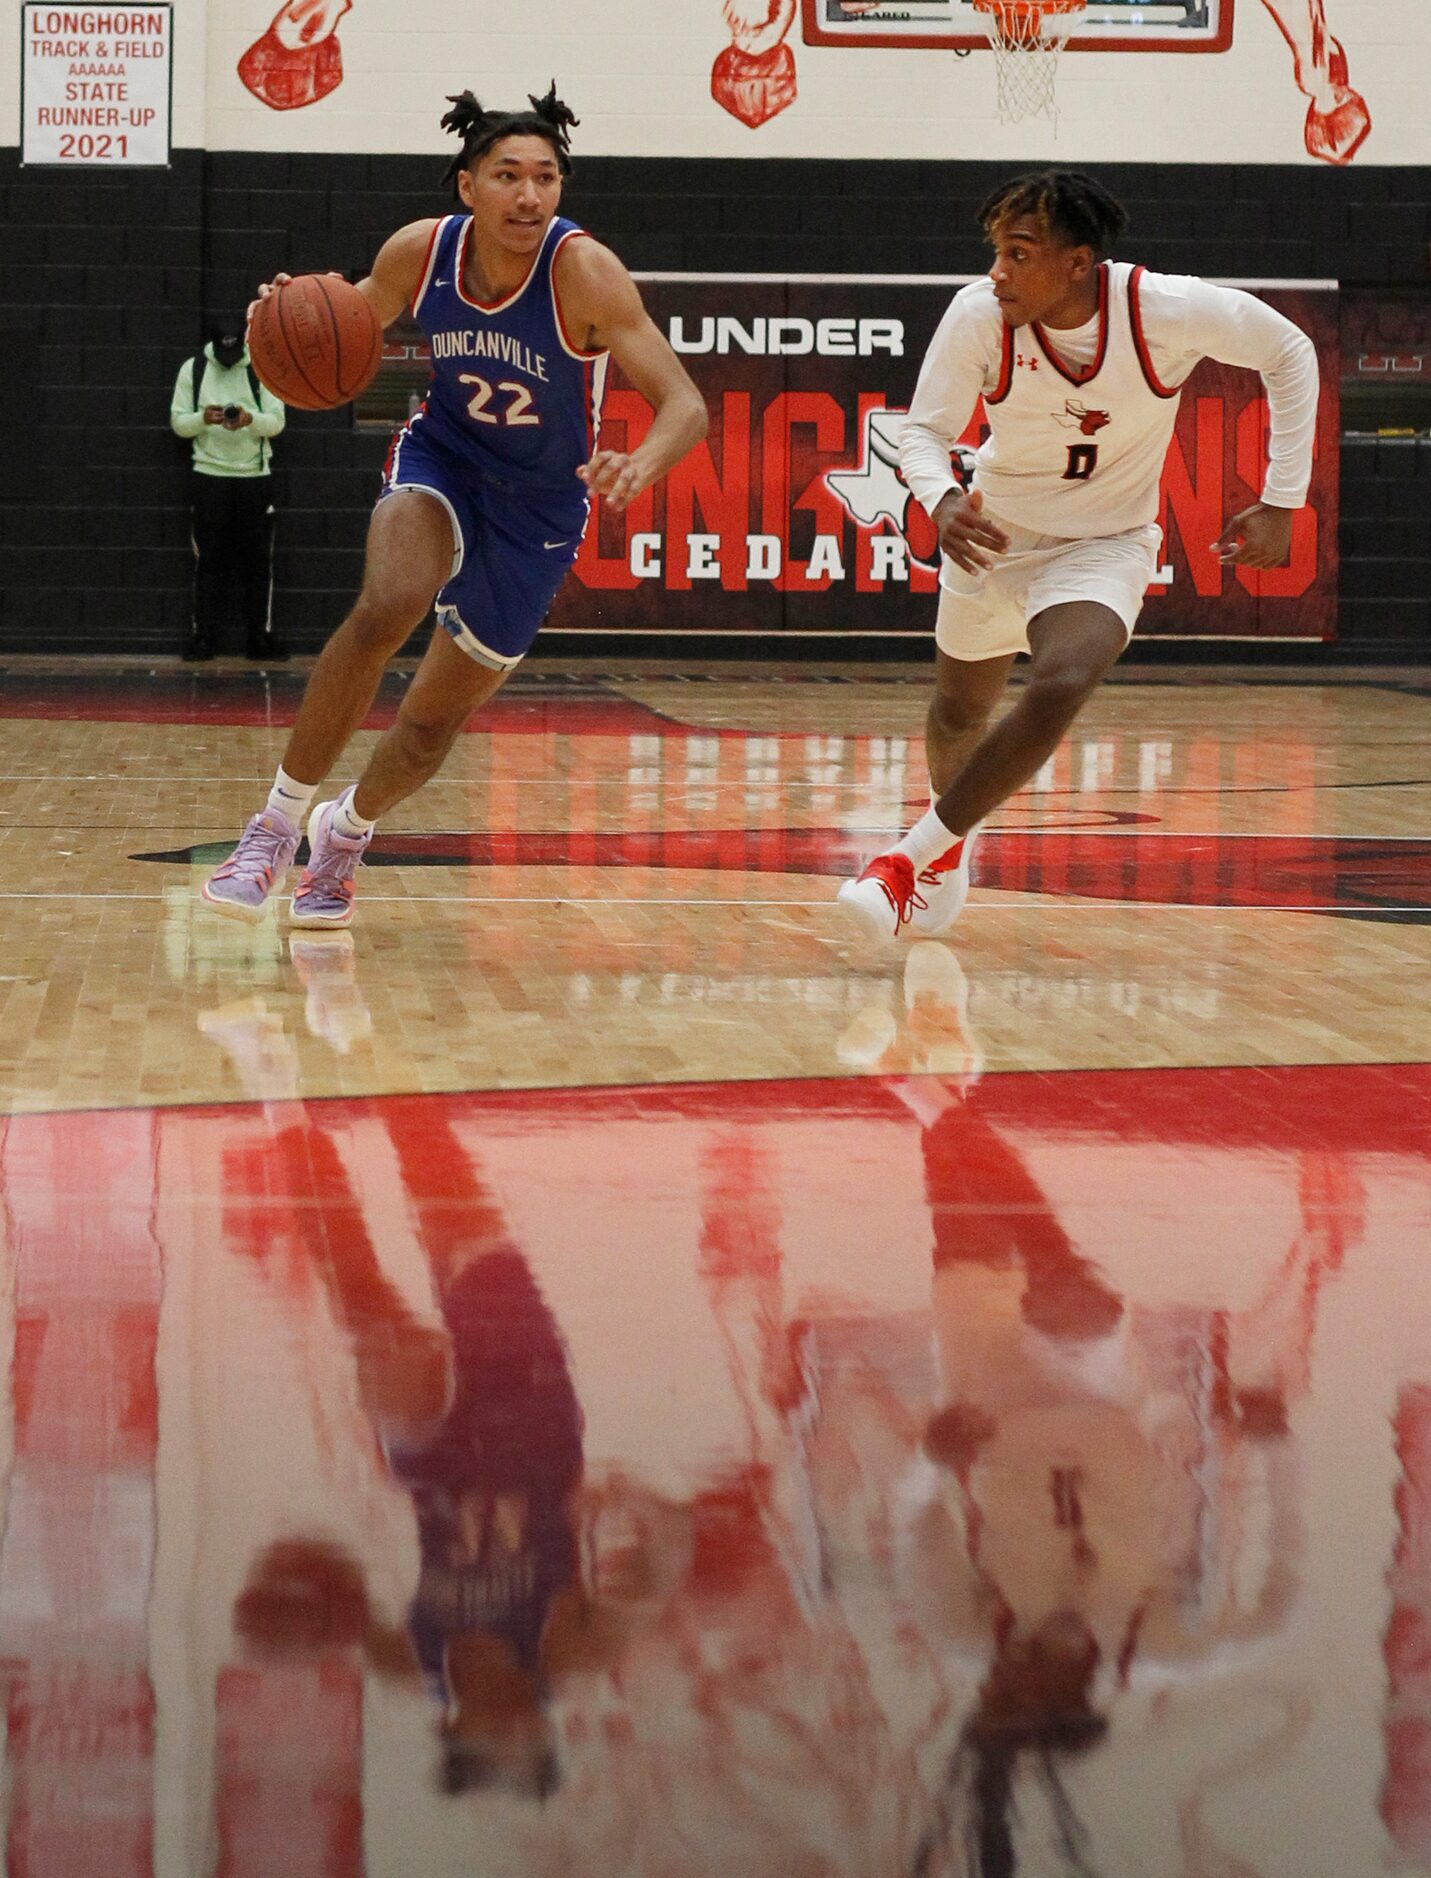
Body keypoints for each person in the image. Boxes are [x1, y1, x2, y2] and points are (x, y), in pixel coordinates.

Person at [201, 84, 707, 927]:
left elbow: (685, 404)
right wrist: (276, 322)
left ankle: (345, 834)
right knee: (387, 605)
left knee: (431, 727)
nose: (529, 195)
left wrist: (645, 458)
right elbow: (338, 339)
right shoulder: (420, 251)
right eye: (507, 175)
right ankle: (272, 828)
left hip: (540, 509)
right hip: (446, 455)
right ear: (467, 186)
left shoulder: (583, 271)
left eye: (546, 177)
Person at [837, 169, 1319, 942]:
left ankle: (905, 860)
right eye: (995, 251)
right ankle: (948, 855)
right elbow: (922, 433)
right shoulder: (977, 314)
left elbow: (1288, 351)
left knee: (1061, 678)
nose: (997, 271)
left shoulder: (1161, 309)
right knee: (958, 710)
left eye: (1018, 253)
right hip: (993, 535)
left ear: (1076, 262)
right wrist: (939, 498)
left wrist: (1282, 497)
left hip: (1103, 543)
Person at [170, 319, 287, 663]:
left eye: (235, 352)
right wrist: (203, 419)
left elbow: (277, 422)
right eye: (224, 352)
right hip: (209, 477)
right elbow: (179, 423)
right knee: (209, 561)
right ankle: (203, 637)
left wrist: (250, 420)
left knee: (257, 562)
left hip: (254, 477)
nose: (230, 358)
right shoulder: (193, 370)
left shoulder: (261, 370)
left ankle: (259, 639)